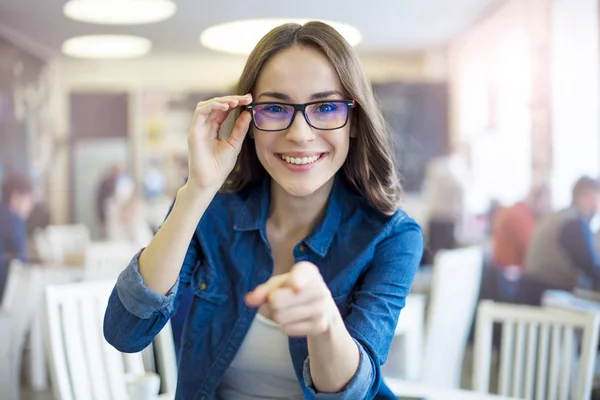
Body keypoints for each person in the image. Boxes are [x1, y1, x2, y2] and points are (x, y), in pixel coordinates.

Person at [103, 21, 423, 400]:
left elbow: (352, 394)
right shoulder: (210, 211)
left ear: (353, 121)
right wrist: (198, 190)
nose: (301, 134)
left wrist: (324, 323)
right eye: (274, 107)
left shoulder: (392, 235)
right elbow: (125, 332)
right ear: (249, 122)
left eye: (324, 106)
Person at [523, 176, 600, 304]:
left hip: (535, 293)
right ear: (587, 196)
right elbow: (591, 267)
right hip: (549, 297)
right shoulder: (574, 223)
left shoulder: (558, 215)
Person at [0, 172, 34, 300]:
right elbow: (22, 267)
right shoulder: (14, 220)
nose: (31, 207)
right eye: (28, 200)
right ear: (15, 198)